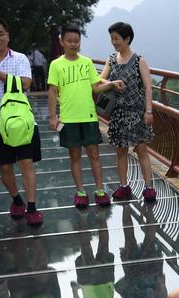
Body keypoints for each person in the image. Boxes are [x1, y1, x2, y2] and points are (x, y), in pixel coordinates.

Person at [0, 16, 44, 226]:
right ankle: (16, 200)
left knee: (27, 164)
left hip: (22, 121)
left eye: (1, 33)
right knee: (4, 168)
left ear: (8, 35)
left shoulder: (19, 59)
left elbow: (25, 84)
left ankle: (32, 207)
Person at [47, 23, 123, 208]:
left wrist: (112, 84)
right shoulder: (56, 65)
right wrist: (52, 116)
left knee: (94, 155)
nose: (73, 44)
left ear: (80, 42)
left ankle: (99, 190)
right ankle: (80, 191)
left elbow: (96, 86)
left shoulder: (86, 62)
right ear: (62, 41)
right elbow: (52, 91)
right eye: (69, 41)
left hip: (88, 116)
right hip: (68, 118)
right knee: (75, 156)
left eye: (76, 41)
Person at [100, 22, 156, 202]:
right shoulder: (111, 59)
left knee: (141, 150)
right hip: (118, 113)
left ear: (127, 39)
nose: (113, 42)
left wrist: (149, 111)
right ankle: (124, 186)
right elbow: (100, 81)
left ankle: (149, 188)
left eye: (116, 38)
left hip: (137, 112)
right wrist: (111, 84)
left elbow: (148, 88)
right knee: (121, 151)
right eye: (112, 38)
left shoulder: (140, 60)